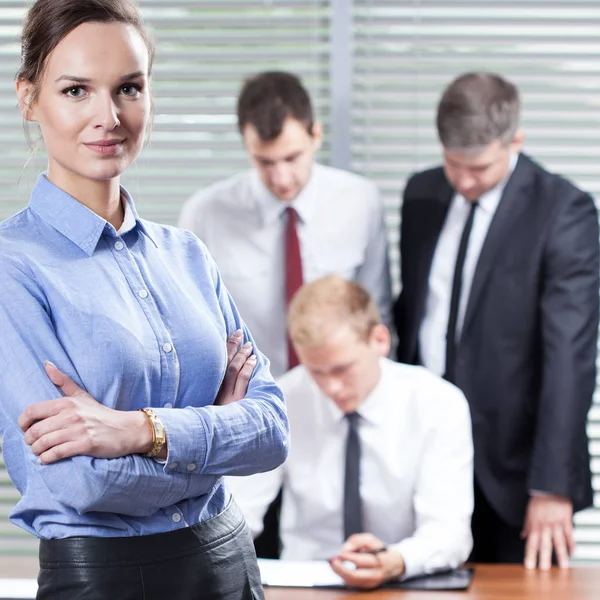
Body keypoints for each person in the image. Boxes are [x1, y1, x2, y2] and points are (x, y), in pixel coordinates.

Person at [0, 1, 288, 598]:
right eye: (76, 90)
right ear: (30, 99)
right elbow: (81, 482)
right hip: (105, 578)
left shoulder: (186, 255)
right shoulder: (13, 267)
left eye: (128, 87)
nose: (108, 116)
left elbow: (272, 428)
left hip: (229, 562)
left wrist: (138, 430)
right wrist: (215, 437)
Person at [394, 72, 599, 570]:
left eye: (479, 168)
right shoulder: (422, 194)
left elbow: (569, 356)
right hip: (420, 452)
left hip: (512, 470)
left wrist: (551, 485)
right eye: (452, 164)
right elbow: (413, 315)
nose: (463, 181)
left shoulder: (563, 211)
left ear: (515, 141)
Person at [227, 275, 473, 589]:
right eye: (316, 371)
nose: (331, 387)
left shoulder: (438, 403)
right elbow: (238, 514)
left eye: (343, 369)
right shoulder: (281, 401)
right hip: (303, 585)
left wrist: (394, 561)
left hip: (404, 581)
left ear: (380, 340)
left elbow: (449, 533)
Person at [178, 70, 392, 379]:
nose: (281, 178)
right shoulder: (205, 214)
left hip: (337, 392)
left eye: (292, 158)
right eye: (265, 161)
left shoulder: (361, 202)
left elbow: (377, 314)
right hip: (249, 399)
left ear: (316, 135)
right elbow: (192, 329)